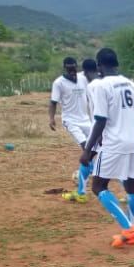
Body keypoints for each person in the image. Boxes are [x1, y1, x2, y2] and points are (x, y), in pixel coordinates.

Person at [80, 48, 134, 246]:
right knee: (131, 187)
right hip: (133, 142)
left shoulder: (101, 86)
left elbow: (100, 119)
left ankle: (128, 229)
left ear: (99, 65)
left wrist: (88, 150)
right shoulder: (131, 85)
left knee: (98, 186)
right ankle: (131, 232)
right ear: (117, 64)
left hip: (114, 143)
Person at [50, 56, 95, 202]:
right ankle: (83, 187)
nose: (72, 71)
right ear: (65, 68)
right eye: (69, 69)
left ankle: (91, 170)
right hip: (70, 121)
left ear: (77, 67)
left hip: (86, 120)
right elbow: (53, 102)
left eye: (73, 68)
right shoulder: (59, 83)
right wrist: (51, 119)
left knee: (96, 147)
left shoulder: (83, 78)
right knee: (86, 148)